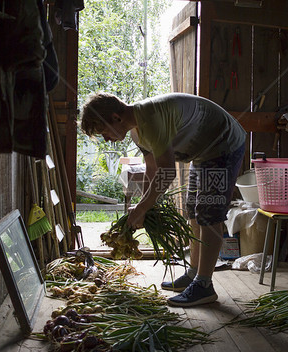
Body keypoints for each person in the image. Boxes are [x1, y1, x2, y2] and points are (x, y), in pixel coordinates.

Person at [80, 92, 246, 307]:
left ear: (116, 118)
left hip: (223, 144)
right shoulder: (137, 132)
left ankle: (204, 285)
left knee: (209, 213)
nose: (106, 139)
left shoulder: (150, 119)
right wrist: (147, 206)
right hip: (204, 151)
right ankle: (195, 273)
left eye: (103, 132)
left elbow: (168, 171)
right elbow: (153, 168)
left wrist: (141, 208)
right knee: (193, 210)